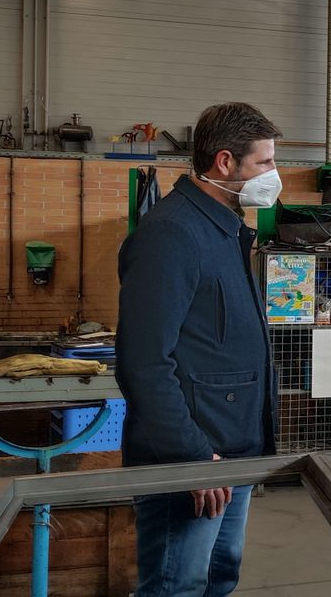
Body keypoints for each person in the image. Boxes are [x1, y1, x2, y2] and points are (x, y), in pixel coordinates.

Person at [116, 102, 283, 597]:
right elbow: (144, 363)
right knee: (177, 586)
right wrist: (190, 455)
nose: (276, 176)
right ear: (225, 163)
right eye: (266, 163)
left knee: (217, 578)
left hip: (231, 450)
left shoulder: (224, 229)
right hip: (192, 456)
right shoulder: (172, 233)